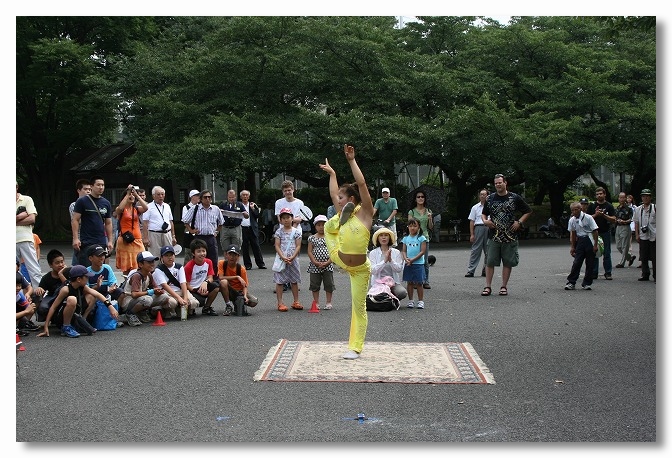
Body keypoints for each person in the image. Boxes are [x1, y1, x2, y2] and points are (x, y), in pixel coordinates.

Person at [319, 144, 374, 360]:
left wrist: (351, 161)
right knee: (329, 226)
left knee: (358, 307)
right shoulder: (343, 208)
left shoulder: (366, 213)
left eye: (341, 199)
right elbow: (334, 192)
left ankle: (355, 347)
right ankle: (334, 225)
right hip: (338, 256)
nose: (337, 200)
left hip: (359, 269)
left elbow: (361, 183)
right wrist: (332, 173)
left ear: (351, 200)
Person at [481, 173, 532, 297]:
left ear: (505, 183)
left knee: (508, 262)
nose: (498, 185)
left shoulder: (514, 197)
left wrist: (519, 222)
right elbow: (484, 213)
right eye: (496, 183)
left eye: (500, 182)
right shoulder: (490, 198)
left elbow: (528, 211)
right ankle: (488, 286)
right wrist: (485, 221)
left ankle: (504, 286)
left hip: (510, 235)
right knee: (490, 261)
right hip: (494, 235)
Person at [37, 265, 114, 338]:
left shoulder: (82, 286)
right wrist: (46, 327)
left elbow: (98, 294)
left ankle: (82, 322)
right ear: (79, 279)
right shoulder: (65, 289)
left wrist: (110, 306)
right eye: (86, 277)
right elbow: (53, 307)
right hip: (61, 317)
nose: (88, 279)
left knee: (92, 296)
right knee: (72, 299)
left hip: (75, 313)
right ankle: (66, 327)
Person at [71, 175, 114, 266]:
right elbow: (75, 220)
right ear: (91, 186)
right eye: (98, 185)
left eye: (102, 185)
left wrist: (110, 241)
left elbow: (108, 223)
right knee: (86, 269)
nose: (101, 187)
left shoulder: (106, 203)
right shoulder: (82, 201)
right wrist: (75, 238)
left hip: (101, 241)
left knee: (100, 267)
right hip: (87, 241)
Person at [121, 251, 169, 326]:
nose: (152, 264)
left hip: (140, 299)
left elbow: (155, 288)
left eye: (153, 261)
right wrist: (150, 292)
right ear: (140, 264)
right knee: (147, 300)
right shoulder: (137, 276)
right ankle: (129, 314)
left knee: (164, 297)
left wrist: (159, 291)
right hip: (128, 301)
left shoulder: (149, 274)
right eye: (149, 262)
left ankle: (141, 311)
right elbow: (134, 294)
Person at [153, 245, 199, 319]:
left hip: (179, 290)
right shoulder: (159, 269)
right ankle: (166, 310)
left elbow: (183, 283)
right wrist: (179, 298)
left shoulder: (179, 267)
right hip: (167, 292)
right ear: (162, 258)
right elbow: (164, 285)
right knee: (172, 303)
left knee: (193, 303)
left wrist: (185, 298)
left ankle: (181, 308)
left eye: (171, 255)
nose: (170, 257)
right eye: (166, 255)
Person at [182, 190, 224, 269]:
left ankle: (214, 279)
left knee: (213, 259)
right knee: (199, 259)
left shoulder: (216, 209)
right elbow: (185, 221)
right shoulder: (195, 208)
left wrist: (216, 232)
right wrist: (191, 230)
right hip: (199, 237)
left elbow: (221, 222)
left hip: (211, 237)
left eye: (209, 197)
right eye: (205, 197)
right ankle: (198, 277)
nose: (207, 199)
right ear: (201, 199)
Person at [273, 207, 303, 312]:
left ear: (292, 218)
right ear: (280, 220)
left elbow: (298, 246)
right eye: (283, 218)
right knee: (280, 281)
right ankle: (280, 303)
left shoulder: (296, 232)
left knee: (294, 281)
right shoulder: (278, 231)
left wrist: (293, 256)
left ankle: (296, 301)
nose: (286, 220)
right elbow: (277, 245)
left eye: (288, 217)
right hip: (281, 259)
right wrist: (283, 257)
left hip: (293, 259)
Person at [564, 201, 599, 290]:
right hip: (580, 240)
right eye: (572, 210)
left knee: (590, 263)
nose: (574, 212)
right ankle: (571, 282)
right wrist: (572, 246)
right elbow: (573, 233)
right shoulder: (572, 220)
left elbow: (595, 231)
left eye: (576, 210)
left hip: (589, 239)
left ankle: (587, 283)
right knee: (577, 262)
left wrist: (595, 245)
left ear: (580, 209)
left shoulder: (588, 218)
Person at [114, 185, 149, 275]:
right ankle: (127, 284)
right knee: (127, 267)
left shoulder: (136, 209)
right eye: (130, 195)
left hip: (137, 239)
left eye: (133, 196)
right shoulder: (121, 209)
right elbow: (120, 209)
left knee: (140, 263)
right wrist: (127, 193)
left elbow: (146, 208)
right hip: (125, 240)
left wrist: (137, 195)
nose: (131, 197)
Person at [84, 245, 125, 319]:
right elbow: (86, 291)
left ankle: (117, 315)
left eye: (103, 255)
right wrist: (97, 286)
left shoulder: (107, 268)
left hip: (107, 293)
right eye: (98, 256)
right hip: (94, 295)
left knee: (120, 292)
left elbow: (113, 282)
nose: (102, 258)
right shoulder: (87, 271)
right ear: (90, 258)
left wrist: (113, 287)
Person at [217, 244, 259, 317]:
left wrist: (245, 296)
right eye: (230, 254)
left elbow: (244, 286)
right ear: (226, 255)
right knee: (223, 282)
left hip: (239, 291)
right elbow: (220, 277)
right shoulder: (221, 263)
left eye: (234, 255)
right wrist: (236, 277)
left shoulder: (241, 269)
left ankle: (239, 303)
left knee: (254, 302)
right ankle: (228, 305)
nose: (232, 257)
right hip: (228, 289)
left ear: (238, 257)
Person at [16, 182, 43, 289]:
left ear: (17, 187)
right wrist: (19, 217)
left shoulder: (27, 199)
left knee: (33, 268)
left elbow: (32, 219)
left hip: (25, 238)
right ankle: (19, 295)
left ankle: (40, 293)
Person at [184, 238, 221, 316]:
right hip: (193, 290)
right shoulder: (188, 266)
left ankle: (206, 308)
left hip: (204, 286)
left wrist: (205, 282)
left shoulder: (208, 262)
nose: (202, 254)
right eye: (199, 251)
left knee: (216, 286)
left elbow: (210, 277)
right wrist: (196, 291)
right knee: (199, 301)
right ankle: (191, 308)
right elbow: (186, 284)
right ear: (193, 253)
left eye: (203, 251)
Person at [368, 226, 407, 301]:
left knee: (402, 293)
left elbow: (399, 269)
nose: (383, 238)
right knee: (380, 296)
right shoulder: (373, 253)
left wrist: (391, 260)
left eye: (386, 235)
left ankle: (392, 298)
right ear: (377, 238)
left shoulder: (396, 252)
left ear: (389, 238)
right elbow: (373, 270)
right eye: (381, 236)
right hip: (378, 283)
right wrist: (384, 261)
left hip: (393, 283)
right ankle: (389, 299)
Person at [306, 214, 335, 310]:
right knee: (315, 284)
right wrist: (314, 261)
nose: (321, 227)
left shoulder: (330, 237)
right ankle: (316, 302)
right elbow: (310, 251)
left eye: (323, 225)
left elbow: (333, 251)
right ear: (315, 226)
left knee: (329, 284)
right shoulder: (312, 238)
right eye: (318, 225)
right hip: (315, 265)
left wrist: (328, 261)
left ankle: (328, 302)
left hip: (328, 264)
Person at [587, 187, 616, 280]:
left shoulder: (609, 206)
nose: (599, 195)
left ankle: (608, 272)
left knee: (607, 252)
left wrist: (603, 215)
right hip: (594, 232)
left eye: (601, 193)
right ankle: (594, 272)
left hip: (605, 232)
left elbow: (614, 219)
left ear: (604, 194)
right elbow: (587, 218)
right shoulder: (592, 206)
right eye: (597, 194)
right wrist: (596, 214)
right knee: (595, 252)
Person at [142, 186, 177, 258]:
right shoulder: (148, 207)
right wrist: (145, 237)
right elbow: (145, 223)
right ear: (153, 196)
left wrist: (173, 236)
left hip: (167, 233)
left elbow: (171, 221)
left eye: (162, 194)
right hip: (154, 234)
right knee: (155, 256)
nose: (161, 196)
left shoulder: (167, 206)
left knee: (169, 255)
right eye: (158, 194)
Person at [408, 189, 434, 289]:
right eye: (418, 197)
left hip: (425, 237)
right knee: (414, 260)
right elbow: (410, 226)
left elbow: (431, 227)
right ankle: (415, 280)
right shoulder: (412, 211)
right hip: (414, 238)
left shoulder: (428, 211)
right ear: (415, 199)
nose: (420, 198)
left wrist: (430, 218)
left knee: (425, 261)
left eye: (422, 197)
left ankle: (425, 280)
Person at [34, 249, 67, 322]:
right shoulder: (46, 278)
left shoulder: (68, 272)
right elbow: (41, 290)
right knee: (42, 306)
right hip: (52, 297)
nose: (61, 265)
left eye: (62, 262)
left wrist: (61, 274)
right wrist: (39, 289)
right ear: (50, 265)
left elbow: (69, 286)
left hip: (66, 297)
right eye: (57, 263)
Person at [401, 219, 428, 309]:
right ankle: (411, 300)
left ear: (419, 227)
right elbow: (404, 250)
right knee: (410, 282)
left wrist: (413, 260)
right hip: (408, 263)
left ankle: (420, 301)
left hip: (418, 263)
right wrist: (406, 259)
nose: (412, 228)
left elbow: (422, 251)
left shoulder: (421, 238)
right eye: (410, 226)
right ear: (408, 227)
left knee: (419, 283)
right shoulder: (405, 238)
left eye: (415, 226)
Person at [239, 189, 266, 270]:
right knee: (245, 247)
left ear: (249, 196)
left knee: (256, 246)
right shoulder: (238, 205)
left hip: (252, 228)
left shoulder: (253, 205)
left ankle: (260, 264)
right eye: (243, 195)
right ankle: (247, 265)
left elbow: (257, 215)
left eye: (246, 195)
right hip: (242, 228)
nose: (245, 196)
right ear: (241, 197)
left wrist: (253, 208)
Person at [465, 189, 489, 277]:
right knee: (475, 250)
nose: (482, 196)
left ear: (487, 196)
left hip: (488, 228)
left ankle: (486, 270)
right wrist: (472, 234)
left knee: (489, 250)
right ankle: (471, 270)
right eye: (481, 194)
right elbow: (472, 221)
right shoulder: (475, 207)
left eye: (484, 194)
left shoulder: (490, 206)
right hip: (478, 227)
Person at [634, 189, 656, 282]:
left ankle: (656, 275)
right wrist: (637, 234)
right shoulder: (638, 209)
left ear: (650, 197)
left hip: (654, 235)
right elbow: (636, 222)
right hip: (643, 235)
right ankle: (645, 274)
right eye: (643, 196)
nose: (645, 198)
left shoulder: (655, 208)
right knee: (643, 256)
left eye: (647, 196)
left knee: (655, 257)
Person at [69, 179, 92, 265]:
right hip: (80, 238)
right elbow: (77, 221)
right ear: (79, 190)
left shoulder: (94, 204)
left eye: (90, 189)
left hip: (92, 237)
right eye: (85, 189)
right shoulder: (74, 205)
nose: (88, 191)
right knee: (78, 264)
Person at [219, 189, 247, 254]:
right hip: (225, 228)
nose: (231, 199)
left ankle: (236, 263)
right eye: (229, 197)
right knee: (225, 248)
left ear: (235, 197)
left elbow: (246, 214)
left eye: (233, 197)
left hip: (236, 228)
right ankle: (226, 263)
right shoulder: (223, 204)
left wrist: (245, 214)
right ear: (227, 197)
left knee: (236, 247)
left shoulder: (239, 204)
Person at [614, 192, 635, 269]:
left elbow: (631, 218)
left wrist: (625, 221)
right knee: (618, 246)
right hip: (618, 227)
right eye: (620, 197)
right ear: (618, 198)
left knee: (624, 246)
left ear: (625, 198)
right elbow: (615, 217)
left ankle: (621, 263)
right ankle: (630, 257)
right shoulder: (617, 208)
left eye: (623, 197)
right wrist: (617, 220)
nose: (622, 199)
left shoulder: (629, 208)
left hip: (625, 227)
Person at [182, 189, 201, 263]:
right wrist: (191, 230)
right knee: (188, 252)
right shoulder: (186, 207)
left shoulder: (200, 207)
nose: (198, 197)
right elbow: (185, 220)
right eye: (197, 196)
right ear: (192, 197)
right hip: (189, 230)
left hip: (197, 230)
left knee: (198, 250)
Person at [627, 194, 638, 265]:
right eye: (627, 198)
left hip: (632, 222)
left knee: (629, 237)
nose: (628, 199)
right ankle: (629, 254)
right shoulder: (625, 206)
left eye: (629, 198)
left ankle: (629, 251)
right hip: (627, 223)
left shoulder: (634, 207)